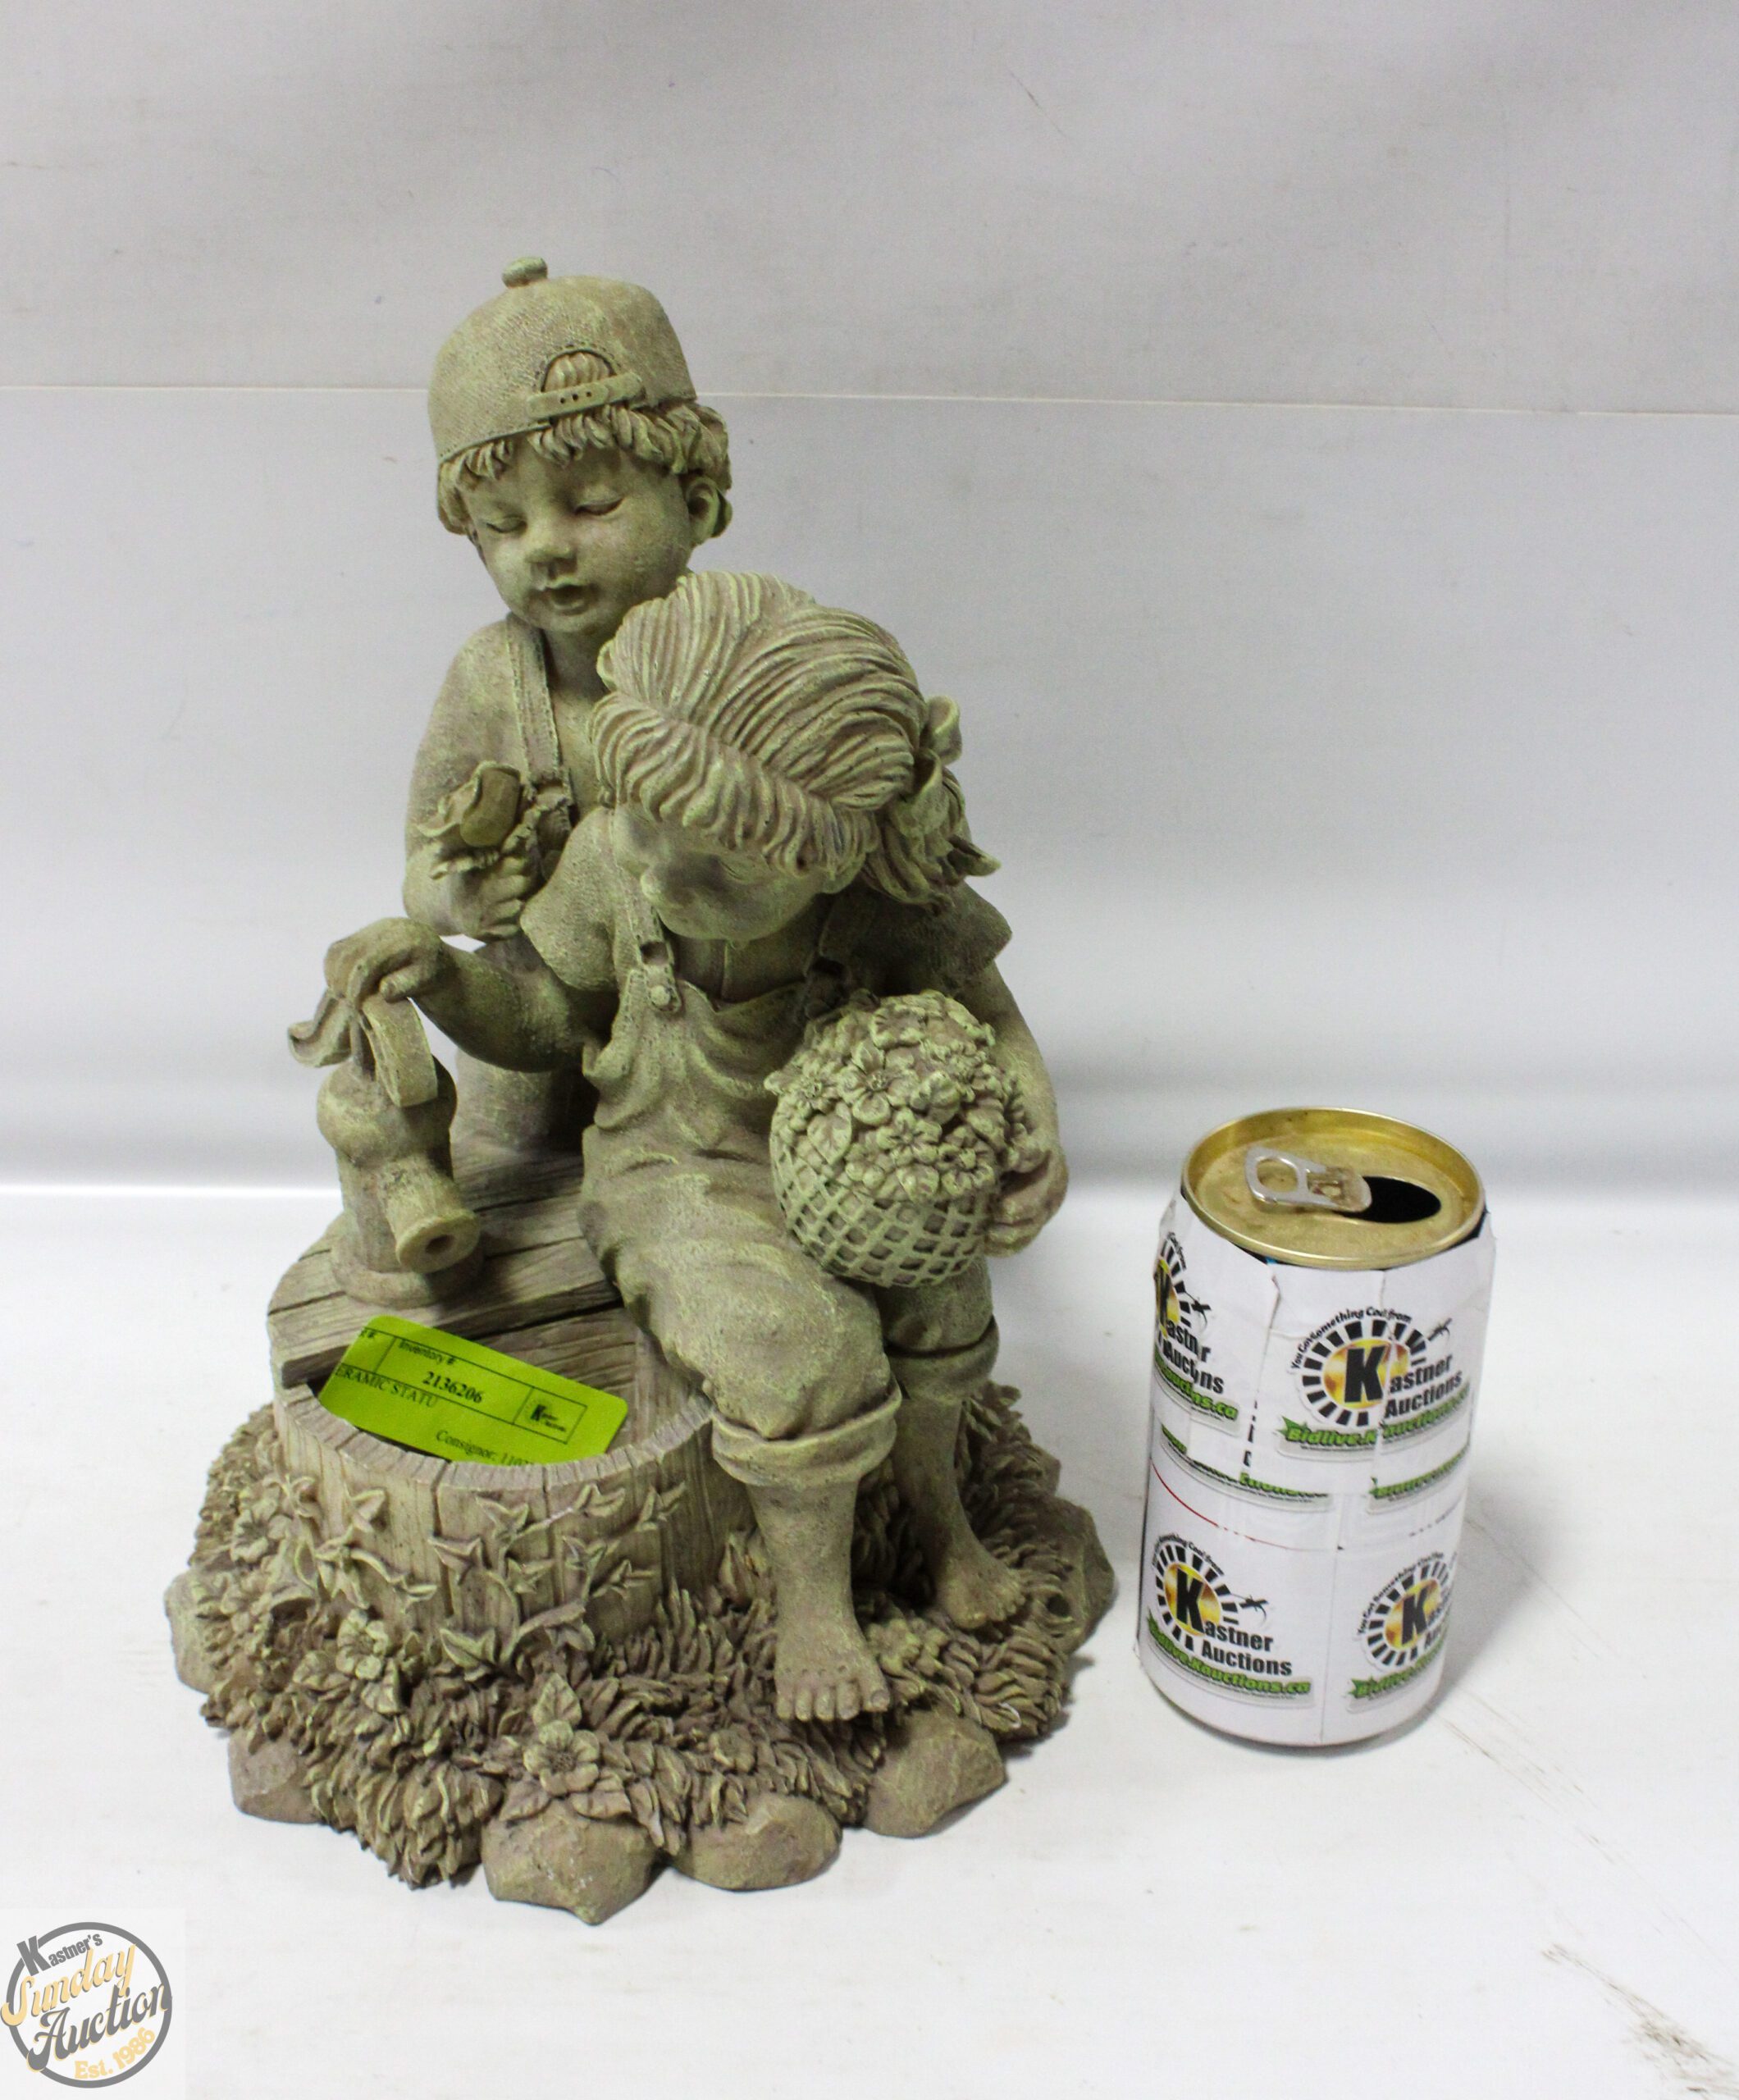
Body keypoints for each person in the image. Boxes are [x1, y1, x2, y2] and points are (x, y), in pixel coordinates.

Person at [327, 572, 1069, 1723]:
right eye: (641, 823)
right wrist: (448, 984)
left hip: (860, 1167)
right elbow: (545, 1022)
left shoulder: (881, 901)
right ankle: (813, 1607)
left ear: (830, 857)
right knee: (796, 1348)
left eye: (723, 869)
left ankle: (940, 1518)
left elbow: (994, 1016)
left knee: (941, 1302)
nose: (665, 876)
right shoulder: (613, 870)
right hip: (675, 1171)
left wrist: (1033, 1135)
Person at [403, 257, 733, 1148]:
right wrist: (458, 901)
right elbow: (421, 870)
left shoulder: (743, 653)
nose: (545, 547)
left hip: (721, 997)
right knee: (499, 1150)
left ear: (697, 503)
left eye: (591, 504)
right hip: (532, 1001)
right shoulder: (488, 678)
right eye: (505, 525)